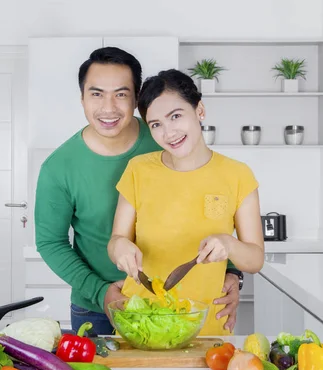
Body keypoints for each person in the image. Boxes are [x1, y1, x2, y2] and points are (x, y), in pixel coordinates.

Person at [34, 47, 244, 335]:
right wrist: (100, 291)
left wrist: (232, 272)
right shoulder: (58, 167)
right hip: (96, 308)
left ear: (136, 100)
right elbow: (50, 243)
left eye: (121, 94)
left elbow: (213, 200)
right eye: (96, 94)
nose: (108, 108)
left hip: (174, 304)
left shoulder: (167, 138)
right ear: (82, 98)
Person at [107, 69, 264, 336]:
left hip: (205, 326)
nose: (169, 132)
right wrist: (120, 247)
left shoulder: (238, 175)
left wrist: (228, 244)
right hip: (141, 321)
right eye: (156, 124)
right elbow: (116, 240)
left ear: (199, 110)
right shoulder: (138, 170)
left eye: (176, 116)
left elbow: (255, 259)